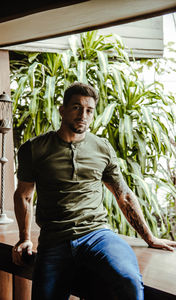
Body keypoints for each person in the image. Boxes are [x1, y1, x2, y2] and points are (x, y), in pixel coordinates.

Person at [12, 82, 176, 300]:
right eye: (76, 107)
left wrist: (150, 237)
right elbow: (24, 195)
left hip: (97, 235)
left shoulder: (102, 147)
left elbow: (124, 195)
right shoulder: (34, 148)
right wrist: (24, 238)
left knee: (129, 282)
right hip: (55, 240)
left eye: (89, 110)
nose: (83, 115)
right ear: (62, 110)